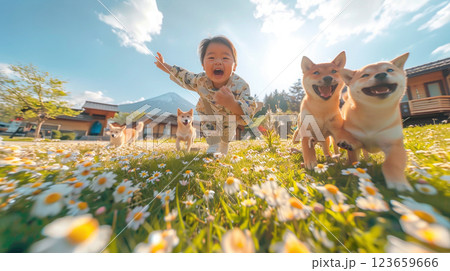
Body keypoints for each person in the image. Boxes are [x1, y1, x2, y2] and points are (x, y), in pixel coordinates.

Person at [155, 35, 257, 154]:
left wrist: (232, 103)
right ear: (203, 65)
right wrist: (164, 65)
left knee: (226, 134)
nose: (218, 62)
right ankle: (214, 145)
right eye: (211, 57)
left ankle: (224, 145)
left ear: (234, 66)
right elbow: (184, 76)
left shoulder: (241, 85)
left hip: (230, 117)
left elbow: (249, 108)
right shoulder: (201, 80)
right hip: (209, 113)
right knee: (205, 110)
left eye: (225, 58)